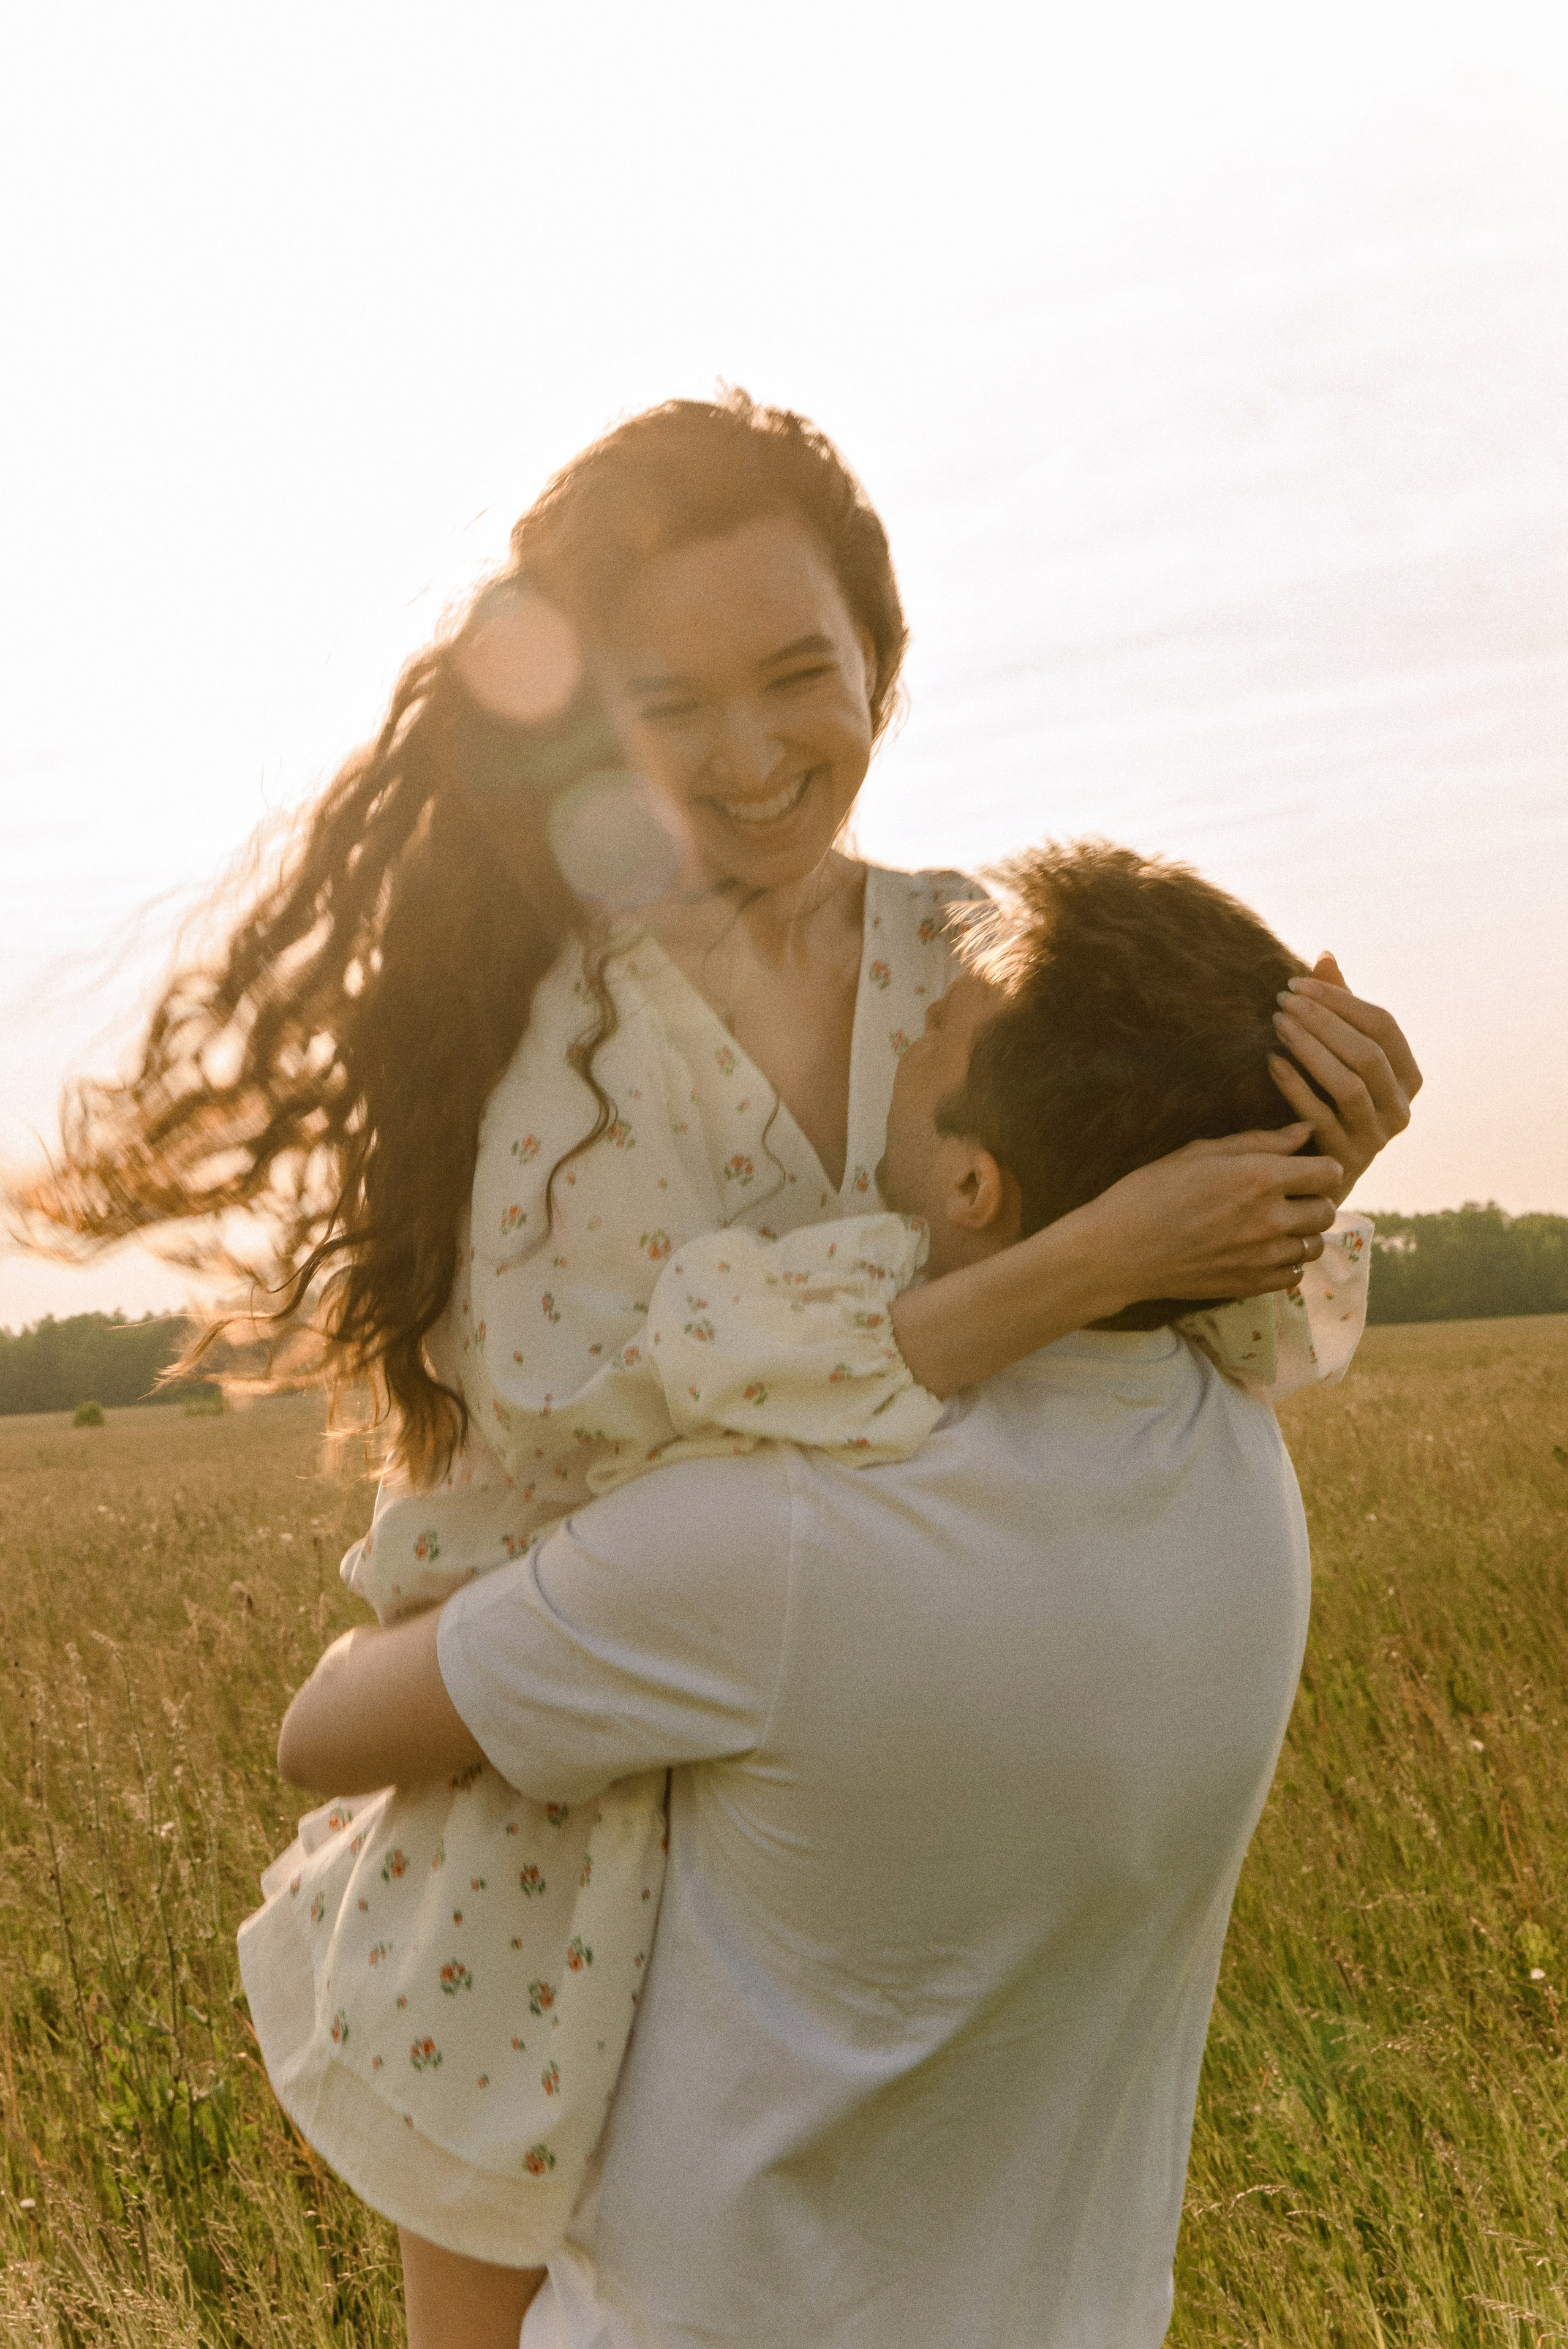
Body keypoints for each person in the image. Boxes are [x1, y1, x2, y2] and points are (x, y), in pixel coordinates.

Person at [15, 395, 1419, 2339]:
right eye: (676, 706)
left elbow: (1211, 1320)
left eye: (800, 677)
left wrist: (1303, 1151)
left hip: (892, 1776)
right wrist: (1077, 1252)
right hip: (561, 1798)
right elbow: (644, 1444)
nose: (757, 755)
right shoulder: (551, 1059)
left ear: (884, 666)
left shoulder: (986, 958)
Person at [277, 840, 1367, 2348]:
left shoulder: (766, 1539)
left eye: (933, 1039)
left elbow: (325, 1731)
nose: (900, 1019)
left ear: (975, 1180)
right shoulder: (1239, 1473)